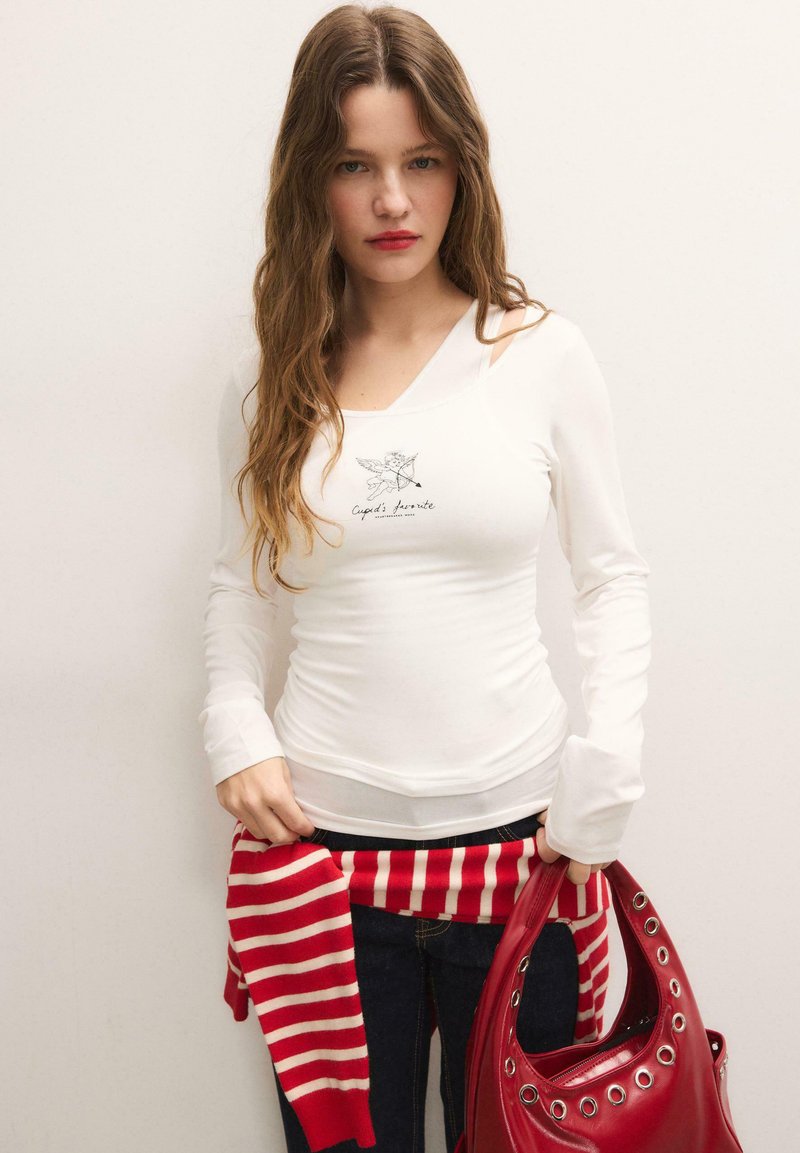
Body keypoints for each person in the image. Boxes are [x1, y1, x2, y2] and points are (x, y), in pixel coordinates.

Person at [199, 5, 651, 1152]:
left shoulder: (538, 353)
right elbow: (241, 590)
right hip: (323, 863)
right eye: (354, 165)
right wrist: (232, 728)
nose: (391, 200)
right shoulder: (267, 383)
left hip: (524, 854)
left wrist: (603, 770)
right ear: (310, 178)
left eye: (422, 161)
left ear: (462, 168)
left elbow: (608, 577)